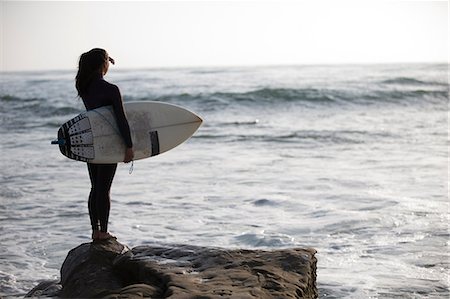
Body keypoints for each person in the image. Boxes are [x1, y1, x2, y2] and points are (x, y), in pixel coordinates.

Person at [75, 48, 134, 241]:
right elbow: (121, 120)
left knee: (95, 187)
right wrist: (129, 146)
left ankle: (95, 230)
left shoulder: (84, 88)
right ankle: (104, 232)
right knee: (104, 188)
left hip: (91, 142)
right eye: (107, 62)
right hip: (109, 143)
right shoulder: (111, 89)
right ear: (103, 64)